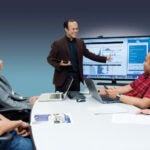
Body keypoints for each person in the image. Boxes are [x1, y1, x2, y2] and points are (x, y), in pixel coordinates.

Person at [47, 19, 111, 92]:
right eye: (73, 29)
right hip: (63, 79)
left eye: (77, 28)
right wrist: (59, 64)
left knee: (76, 100)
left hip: (76, 78)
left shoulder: (80, 42)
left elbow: (89, 55)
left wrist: (105, 58)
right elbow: (50, 59)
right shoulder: (58, 43)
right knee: (62, 102)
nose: (75, 31)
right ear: (66, 29)